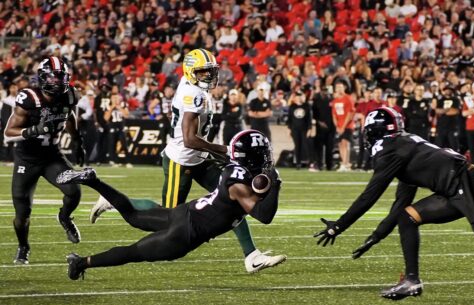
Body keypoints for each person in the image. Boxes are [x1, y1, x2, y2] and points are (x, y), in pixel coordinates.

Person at [314, 107, 474, 305]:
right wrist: (378, 235)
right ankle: (411, 280)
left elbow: (370, 195)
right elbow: (401, 202)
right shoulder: (403, 145)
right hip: (454, 187)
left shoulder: (390, 150)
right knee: (407, 217)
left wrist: (339, 226)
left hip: (466, 183)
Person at [89, 49, 285, 273]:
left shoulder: (190, 85)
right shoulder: (194, 94)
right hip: (181, 161)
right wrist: (225, 149)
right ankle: (113, 201)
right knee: (169, 217)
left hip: (199, 158)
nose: (209, 77)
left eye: (210, 72)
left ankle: (252, 255)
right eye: (203, 73)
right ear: (191, 72)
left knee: (233, 201)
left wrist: (217, 153)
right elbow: (190, 140)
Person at [59, 130, 282, 280]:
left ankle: (94, 181)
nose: (266, 158)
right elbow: (264, 216)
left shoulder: (235, 170)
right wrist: (276, 183)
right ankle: (81, 263)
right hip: (185, 233)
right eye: (262, 154)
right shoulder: (239, 184)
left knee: (133, 216)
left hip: (185, 213)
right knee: (132, 252)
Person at [3, 56, 85, 264]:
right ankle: (23, 246)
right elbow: (8, 134)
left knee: (74, 191)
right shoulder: (30, 98)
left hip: (51, 156)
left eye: (61, 77)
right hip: (27, 158)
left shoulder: (69, 96)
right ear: (42, 77)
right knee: (22, 212)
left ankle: (64, 217)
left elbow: (69, 116)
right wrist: (34, 130)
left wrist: (77, 142)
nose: (58, 82)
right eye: (54, 77)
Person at [330, 81, 355, 172]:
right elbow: (333, 114)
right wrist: (337, 126)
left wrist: (343, 126)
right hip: (339, 125)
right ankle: (343, 163)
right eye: (337, 87)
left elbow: (349, 113)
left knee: (345, 143)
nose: (339, 89)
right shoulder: (335, 100)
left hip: (347, 125)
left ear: (344, 88)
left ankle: (346, 163)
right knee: (340, 144)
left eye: (341, 87)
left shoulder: (348, 98)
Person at [287, 90, 311, 169]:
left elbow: (309, 119)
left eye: (300, 96)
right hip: (295, 129)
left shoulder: (306, 106)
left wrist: (309, 129)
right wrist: (289, 129)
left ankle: (309, 162)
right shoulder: (292, 106)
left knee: (305, 145)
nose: (299, 97)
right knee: (297, 146)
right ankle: (298, 163)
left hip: (304, 129)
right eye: (297, 96)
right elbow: (289, 119)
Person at [433, 83, 461, 151]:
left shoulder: (456, 99)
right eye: (446, 90)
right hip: (441, 127)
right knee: (439, 146)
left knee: (454, 146)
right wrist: (448, 109)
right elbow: (437, 111)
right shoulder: (440, 100)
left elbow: (455, 111)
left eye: (450, 90)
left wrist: (443, 111)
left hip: (452, 127)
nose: (448, 91)